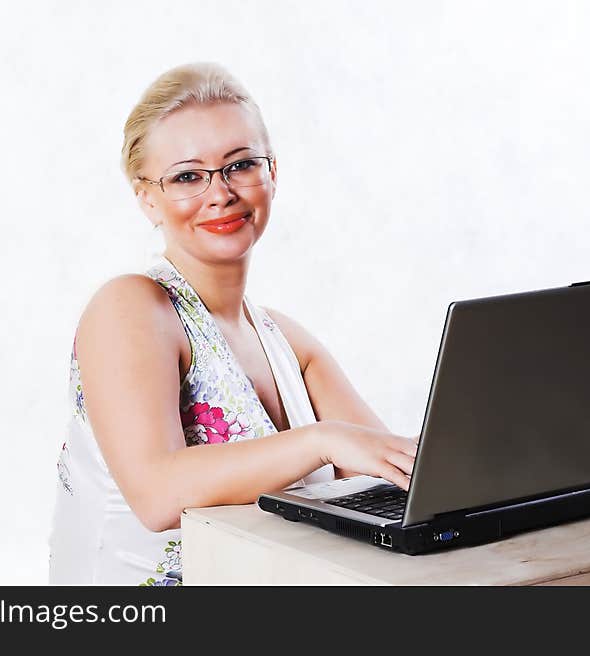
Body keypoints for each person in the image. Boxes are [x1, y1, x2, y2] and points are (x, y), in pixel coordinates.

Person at [48, 62, 419, 585]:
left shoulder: (288, 343)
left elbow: (402, 478)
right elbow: (156, 494)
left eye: (241, 165)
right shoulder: (130, 307)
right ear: (146, 197)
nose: (220, 193)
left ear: (273, 173)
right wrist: (321, 440)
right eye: (186, 176)